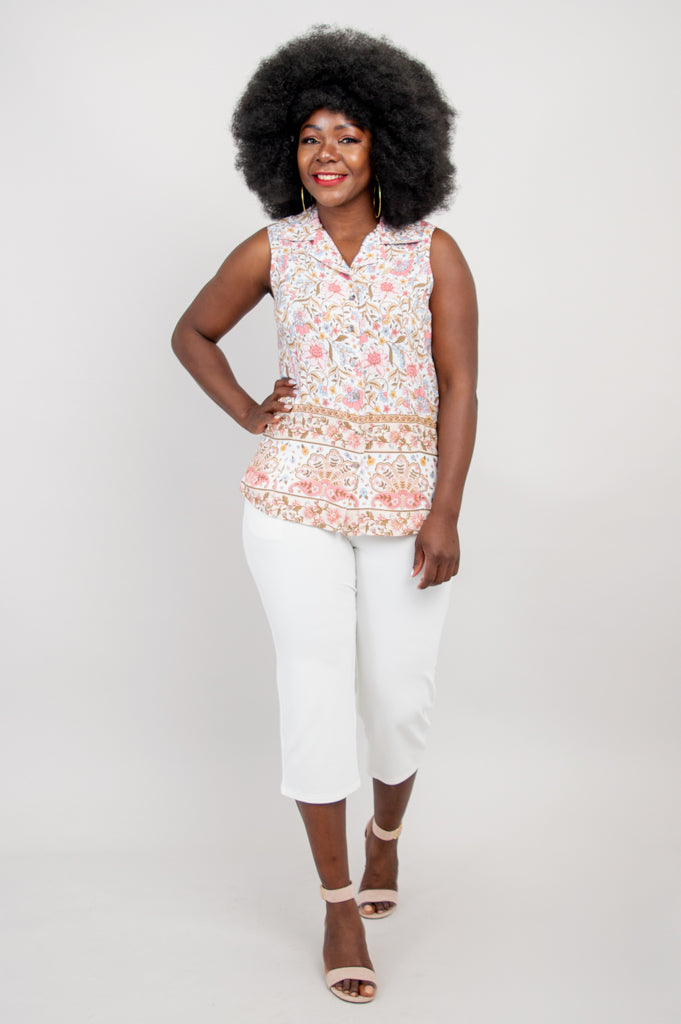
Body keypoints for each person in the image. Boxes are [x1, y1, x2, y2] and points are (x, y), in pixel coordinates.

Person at [171, 26, 478, 1004]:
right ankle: (338, 902)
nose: (327, 154)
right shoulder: (274, 248)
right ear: (284, 150)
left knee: (398, 695)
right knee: (312, 690)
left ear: (389, 142)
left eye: (347, 135)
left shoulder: (433, 252)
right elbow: (193, 332)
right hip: (292, 497)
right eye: (309, 137)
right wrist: (250, 410)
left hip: (404, 502)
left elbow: (460, 387)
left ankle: (386, 833)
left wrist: (444, 512)